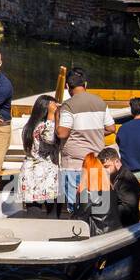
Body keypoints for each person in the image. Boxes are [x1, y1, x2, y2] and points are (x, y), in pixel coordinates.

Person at [54, 68, 115, 209]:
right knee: (98, 206)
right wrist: (97, 133)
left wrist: (57, 116)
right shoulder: (100, 102)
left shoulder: (68, 106)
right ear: (85, 84)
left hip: (74, 165)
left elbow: (62, 134)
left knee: (75, 208)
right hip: (97, 161)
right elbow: (111, 128)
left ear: (67, 86)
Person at [76, 147, 140, 233]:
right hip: (114, 227)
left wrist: (103, 210)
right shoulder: (111, 177)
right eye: (102, 167)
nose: (104, 170)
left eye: (107, 166)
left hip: (127, 227)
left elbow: (128, 208)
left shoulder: (127, 179)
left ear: (117, 162)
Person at [17, 94, 60, 207]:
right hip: (45, 173)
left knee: (33, 213)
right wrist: (52, 115)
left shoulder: (29, 125)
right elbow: (50, 138)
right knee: (50, 213)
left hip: (29, 172)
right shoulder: (43, 126)